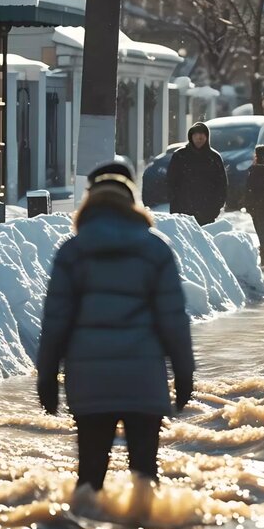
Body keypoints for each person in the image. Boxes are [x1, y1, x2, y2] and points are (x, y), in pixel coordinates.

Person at [36, 157, 195, 492]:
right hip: (143, 378)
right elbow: (173, 321)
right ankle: (143, 522)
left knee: (90, 476)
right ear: (131, 203)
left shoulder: (72, 252)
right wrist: (184, 373)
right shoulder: (155, 250)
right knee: (145, 476)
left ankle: (80, 524)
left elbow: (55, 323)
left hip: (89, 381)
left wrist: (47, 377)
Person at [167, 122, 228, 225]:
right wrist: (175, 204)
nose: (199, 138)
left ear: (207, 137)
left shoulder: (214, 158)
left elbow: (222, 185)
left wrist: (216, 207)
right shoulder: (180, 156)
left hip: (207, 212)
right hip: (183, 211)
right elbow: (171, 182)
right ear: (191, 137)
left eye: (202, 135)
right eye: (196, 135)